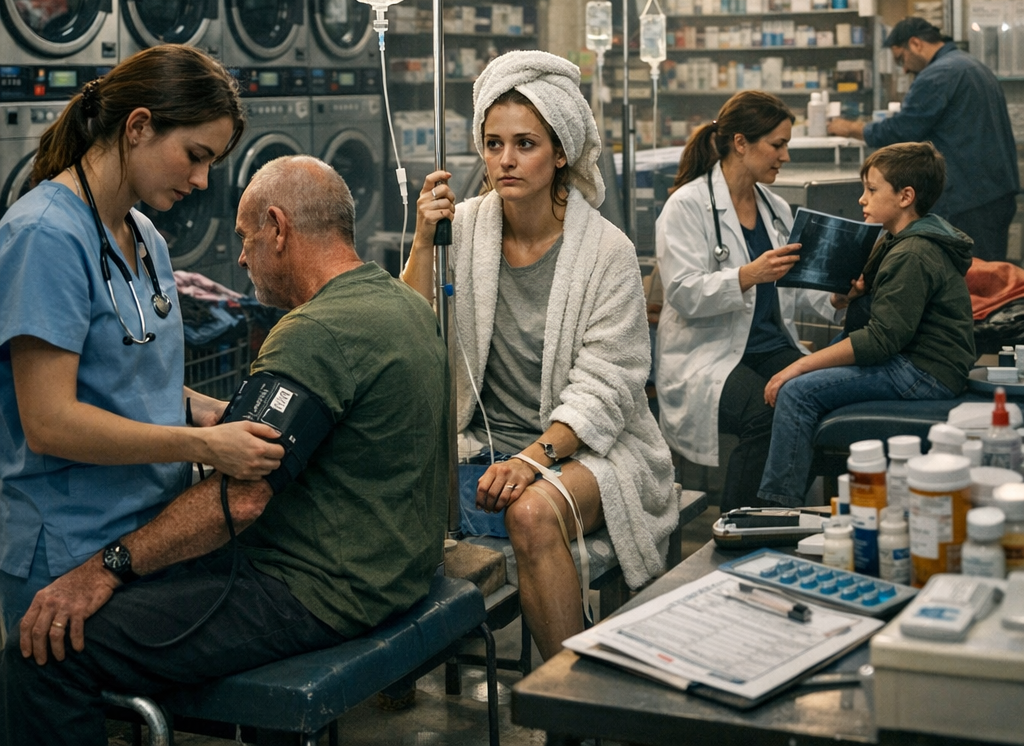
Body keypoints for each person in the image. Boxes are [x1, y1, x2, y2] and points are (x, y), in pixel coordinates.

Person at [1, 156, 450, 746]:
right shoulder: (402, 305)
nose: (240, 258)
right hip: (396, 569)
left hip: (317, 591)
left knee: (46, 651)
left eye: (245, 238)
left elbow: (237, 504)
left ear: (278, 227)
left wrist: (106, 565)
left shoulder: (316, 333)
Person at [0, 46, 285, 636]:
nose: (202, 179)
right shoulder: (44, 235)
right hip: (68, 545)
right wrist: (202, 448)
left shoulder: (144, 234)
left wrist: (207, 411)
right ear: (138, 127)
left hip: (148, 532)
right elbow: (49, 421)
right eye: (195, 156)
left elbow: (128, 374)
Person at [403, 50, 676, 660]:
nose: (505, 160)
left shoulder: (605, 251)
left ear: (561, 153)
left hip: (587, 447)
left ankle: (567, 704)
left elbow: (608, 387)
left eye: (525, 143)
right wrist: (424, 243)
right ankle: (393, 676)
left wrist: (532, 459)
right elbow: (408, 331)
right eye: (493, 143)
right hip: (481, 444)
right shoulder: (462, 229)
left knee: (530, 514)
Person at [759, 142, 975, 508]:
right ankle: (807, 501)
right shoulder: (900, 240)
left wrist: (796, 366)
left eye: (872, 190)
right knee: (801, 384)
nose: (862, 199)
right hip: (917, 361)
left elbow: (881, 340)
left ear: (906, 196)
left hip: (924, 372)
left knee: (797, 392)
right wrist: (855, 296)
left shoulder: (912, 252)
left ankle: (777, 511)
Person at [654, 91, 838, 512]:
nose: (785, 156)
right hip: (709, 356)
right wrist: (747, 275)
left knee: (821, 399)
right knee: (770, 415)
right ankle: (739, 526)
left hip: (769, 349)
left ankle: (782, 513)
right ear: (741, 143)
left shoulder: (776, 209)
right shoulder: (687, 206)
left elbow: (797, 288)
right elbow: (682, 293)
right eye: (777, 144)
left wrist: (839, 298)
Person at [828, 16, 1019, 261]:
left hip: (968, 198)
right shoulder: (970, 65)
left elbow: (903, 130)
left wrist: (851, 129)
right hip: (994, 191)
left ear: (916, 43)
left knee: (972, 282)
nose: (904, 69)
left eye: (901, 59)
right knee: (989, 277)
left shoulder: (938, 74)